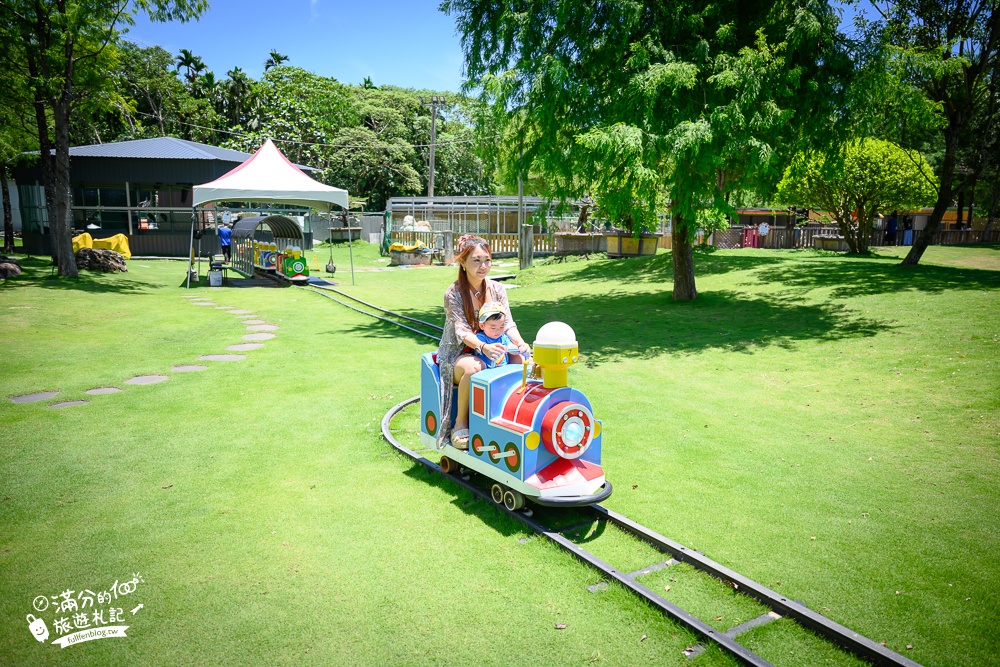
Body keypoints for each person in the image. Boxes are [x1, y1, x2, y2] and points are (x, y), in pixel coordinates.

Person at [437, 235, 530, 449]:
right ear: (463, 262)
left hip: (495, 348)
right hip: (460, 353)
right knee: (473, 367)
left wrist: (522, 344)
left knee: (525, 361)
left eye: (487, 260)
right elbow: (461, 331)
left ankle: (516, 417)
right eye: (476, 260)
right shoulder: (454, 293)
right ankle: (460, 421)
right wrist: (483, 347)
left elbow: (508, 324)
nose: (483, 266)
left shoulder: (497, 289)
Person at [473, 302, 525, 369]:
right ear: (482, 326)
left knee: (522, 359)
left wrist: (518, 348)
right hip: (486, 370)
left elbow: (511, 347)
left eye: (501, 327)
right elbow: (478, 349)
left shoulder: (503, 337)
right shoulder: (480, 338)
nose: (498, 331)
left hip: (503, 369)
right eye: (493, 328)